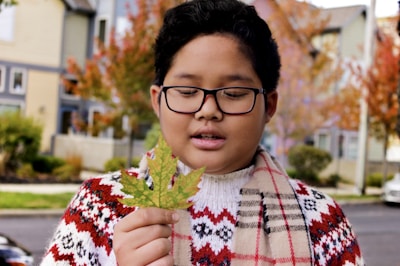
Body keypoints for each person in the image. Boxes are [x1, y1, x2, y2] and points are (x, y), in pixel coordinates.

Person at [41, 0, 364, 265]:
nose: (208, 110)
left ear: (269, 106)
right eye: (186, 90)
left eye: (234, 93)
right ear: (158, 100)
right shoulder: (99, 208)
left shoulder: (323, 223)